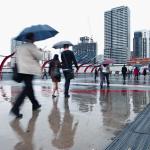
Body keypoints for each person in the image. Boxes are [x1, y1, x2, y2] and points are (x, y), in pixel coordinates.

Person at [10, 32, 43, 118]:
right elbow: (40, 56)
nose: (35, 39)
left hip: (21, 70)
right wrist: (40, 51)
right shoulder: (31, 46)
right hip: (28, 70)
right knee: (27, 89)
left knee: (29, 88)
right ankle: (15, 108)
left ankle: (35, 104)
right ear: (32, 38)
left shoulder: (20, 47)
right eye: (34, 37)